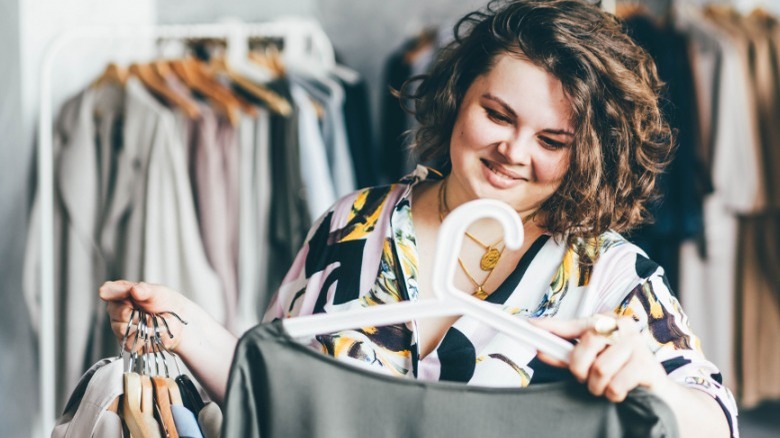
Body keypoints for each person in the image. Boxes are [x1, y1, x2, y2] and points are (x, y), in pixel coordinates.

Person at [100, 1, 737, 436]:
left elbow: (716, 421)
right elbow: (276, 393)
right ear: (459, 97)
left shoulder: (611, 277)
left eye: (553, 141)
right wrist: (188, 331)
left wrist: (656, 383)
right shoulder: (350, 228)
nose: (513, 152)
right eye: (498, 114)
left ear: (589, 154)